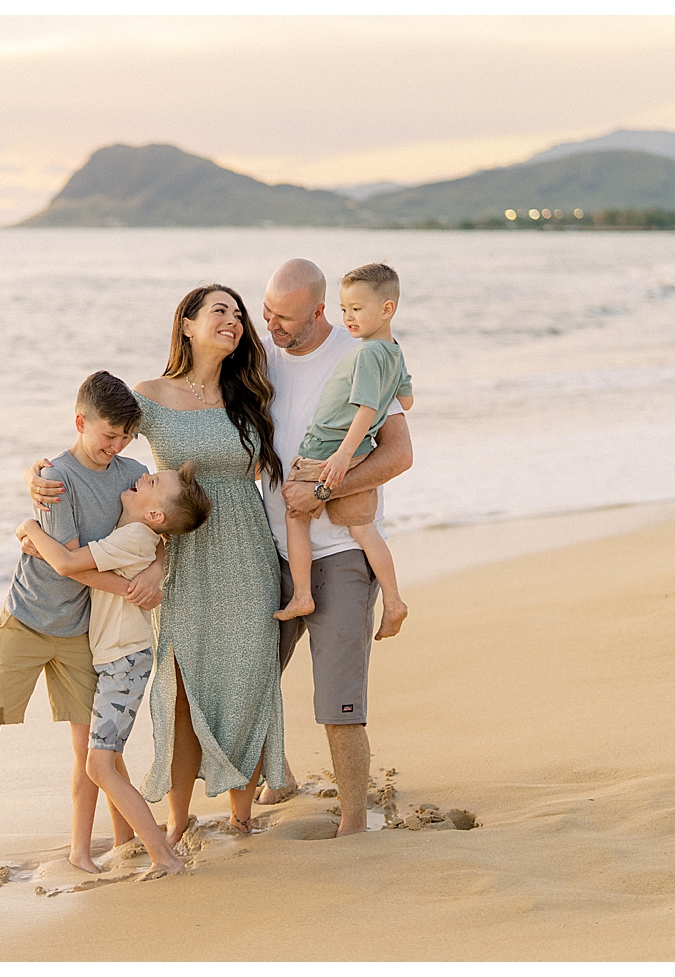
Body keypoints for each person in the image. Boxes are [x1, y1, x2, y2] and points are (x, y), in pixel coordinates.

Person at [26, 284, 288, 839]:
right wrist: (40, 473)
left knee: (247, 680)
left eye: (239, 315)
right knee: (180, 687)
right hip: (179, 557)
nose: (234, 320)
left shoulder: (252, 395)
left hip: (247, 555)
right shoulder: (149, 395)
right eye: (221, 310)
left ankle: (242, 820)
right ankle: (176, 823)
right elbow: (97, 439)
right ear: (187, 324)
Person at [0, 371, 161, 886]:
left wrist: (157, 570)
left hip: (81, 631)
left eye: (123, 438)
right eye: (106, 435)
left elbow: (165, 527)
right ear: (80, 422)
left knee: (88, 748)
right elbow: (66, 560)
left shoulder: (133, 473)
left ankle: (83, 851)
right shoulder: (55, 479)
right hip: (27, 619)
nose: (113, 448)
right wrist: (124, 584)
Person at [256, 258, 414, 835]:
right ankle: (277, 779)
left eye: (284, 319)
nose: (271, 327)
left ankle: (353, 820)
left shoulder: (360, 355)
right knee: (251, 678)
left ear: (319, 312)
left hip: (341, 549)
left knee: (339, 697)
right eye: (266, 313)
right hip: (267, 549)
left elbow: (399, 455)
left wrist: (323, 490)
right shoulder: (261, 361)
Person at [15, 461, 213, 877]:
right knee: (108, 758)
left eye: (153, 482)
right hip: (117, 658)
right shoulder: (138, 536)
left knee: (98, 765)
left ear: (155, 515)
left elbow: (70, 565)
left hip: (123, 662)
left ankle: (164, 856)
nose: (141, 478)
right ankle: (130, 841)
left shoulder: (132, 538)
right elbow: (82, 566)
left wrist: (31, 530)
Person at [274, 262, 413, 640]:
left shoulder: (365, 354)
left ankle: (302, 594)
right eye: (344, 309)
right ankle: (395, 600)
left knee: (294, 510)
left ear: (387, 309)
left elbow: (367, 408)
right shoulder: (393, 352)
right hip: (359, 450)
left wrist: (339, 456)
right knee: (364, 529)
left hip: (327, 448)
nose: (348, 318)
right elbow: (407, 398)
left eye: (357, 309)